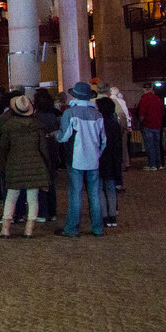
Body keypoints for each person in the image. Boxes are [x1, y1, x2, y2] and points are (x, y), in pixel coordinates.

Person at [0, 95, 49, 239]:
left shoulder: (9, 126)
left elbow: (3, 147)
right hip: (35, 164)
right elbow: (43, 148)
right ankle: (29, 229)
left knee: (11, 196)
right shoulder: (37, 125)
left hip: (14, 163)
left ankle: (6, 229)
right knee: (33, 198)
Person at [56, 82, 107, 238]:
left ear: (75, 95)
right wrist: (98, 153)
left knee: (75, 194)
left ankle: (72, 228)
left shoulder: (70, 113)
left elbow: (64, 136)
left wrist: (55, 135)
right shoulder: (97, 115)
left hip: (75, 158)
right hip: (93, 159)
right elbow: (103, 140)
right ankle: (98, 228)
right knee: (94, 194)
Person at [32, 88, 61, 223]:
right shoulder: (52, 117)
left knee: (40, 182)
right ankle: (52, 211)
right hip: (52, 150)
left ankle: (42, 212)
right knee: (51, 182)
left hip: (39, 151)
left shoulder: (35, 118)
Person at [96, 96, 124, 228]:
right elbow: (118, 145)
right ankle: (113, 215)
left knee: (100, 188)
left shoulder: (98, 124)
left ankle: (104, 215)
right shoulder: (114, 125)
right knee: (111, 188)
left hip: (101, 159)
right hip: (112, 159)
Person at [137, 84, 164, 171]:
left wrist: (140, 123)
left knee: (150, 146)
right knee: (157, 145)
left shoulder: (144, 99)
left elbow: (142, 114)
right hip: (157, 125)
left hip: (148, 125)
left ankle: (152, 164)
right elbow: (162, 111)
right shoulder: (157, 98)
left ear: (144, 89)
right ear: (151, 89)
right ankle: (158, 164)